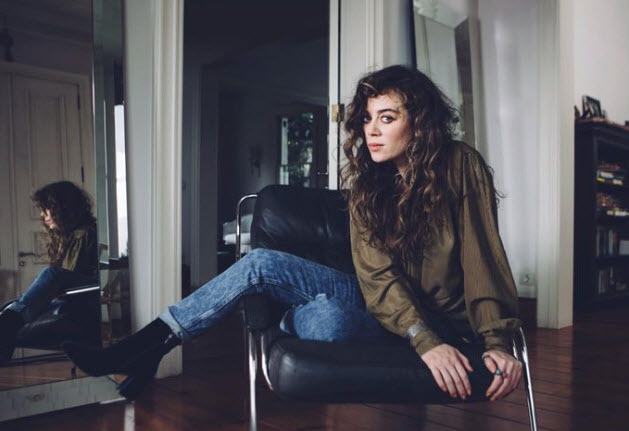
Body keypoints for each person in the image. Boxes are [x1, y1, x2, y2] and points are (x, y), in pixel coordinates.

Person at [62, 65, 523, 402]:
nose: (372, 131)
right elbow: (377, 276)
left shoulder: (459, 164)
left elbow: (483, 257)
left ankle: (285, 320)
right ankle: (147, 346)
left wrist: (495, 342)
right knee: (259, 262)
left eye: (387, 117)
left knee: (328, 322)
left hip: (439, 318)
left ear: (418, 122)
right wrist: (420, 338)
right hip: (382, 301)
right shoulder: (368, 185)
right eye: (367, 118)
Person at [0, 181, 98, 363]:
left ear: (62, 208)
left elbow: (71, 278)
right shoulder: (69, 235)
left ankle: (9, 322)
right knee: (9, 307)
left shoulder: (85, 233)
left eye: (47, 209)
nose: (42, 215)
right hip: (68, 297)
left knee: (51, 274)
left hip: (82, 300)